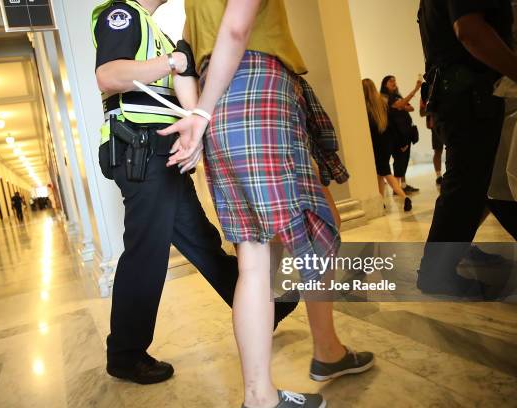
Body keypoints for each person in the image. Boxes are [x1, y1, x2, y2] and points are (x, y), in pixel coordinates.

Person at [160, 1, 374, 406]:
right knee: (315, 225)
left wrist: (199, 114)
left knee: (253, 259)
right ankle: (323, 354)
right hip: (255, 88)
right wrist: (200, 114)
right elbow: (237, 30)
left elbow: (185, 55)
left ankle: (266, 391)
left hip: (217, 99)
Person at [91, 0, 297, 386]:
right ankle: (125, 354)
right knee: (146, 252)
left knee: (201, 241)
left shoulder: (156, 30)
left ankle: (267, 310)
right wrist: (173, 62)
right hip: (140, 148)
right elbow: (109, 75)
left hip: (159, 149)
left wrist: (197, 128)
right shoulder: (122, 13)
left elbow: (186, 96)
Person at [417, 0, 517, 296]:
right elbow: (470, 30)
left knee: (474, 182)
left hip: (459, 93)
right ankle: (436, 273)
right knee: (467, 183)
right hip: (468, 94)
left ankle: (450, 256)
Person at [362, 78, 412, 211]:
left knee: (385, 172)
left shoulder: (364, 108)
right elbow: (392, 125)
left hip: (375, 145)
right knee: (380, 173)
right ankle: (381, 201)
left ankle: (404, 197)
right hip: (386, 144)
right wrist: (400, 142)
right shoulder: (382, 104)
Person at [380, 75, 422, 194]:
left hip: (405, 132)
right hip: (396, 134)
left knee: (404, 159)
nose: (394, 82)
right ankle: (397, 188)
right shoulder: (386, 98)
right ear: (385, 84)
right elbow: (401, 105)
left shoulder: (396, 96)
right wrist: (415, 89)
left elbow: (410, 108)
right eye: (390, 81)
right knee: (399, 159)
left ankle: (402, 185)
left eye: (394, 80)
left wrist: (402, 104)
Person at [420, 83, 444, 185]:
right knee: (438, 150)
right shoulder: (425, 93)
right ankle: (439, 176)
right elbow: (421, 112)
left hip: (447, 123)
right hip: (435, 125)